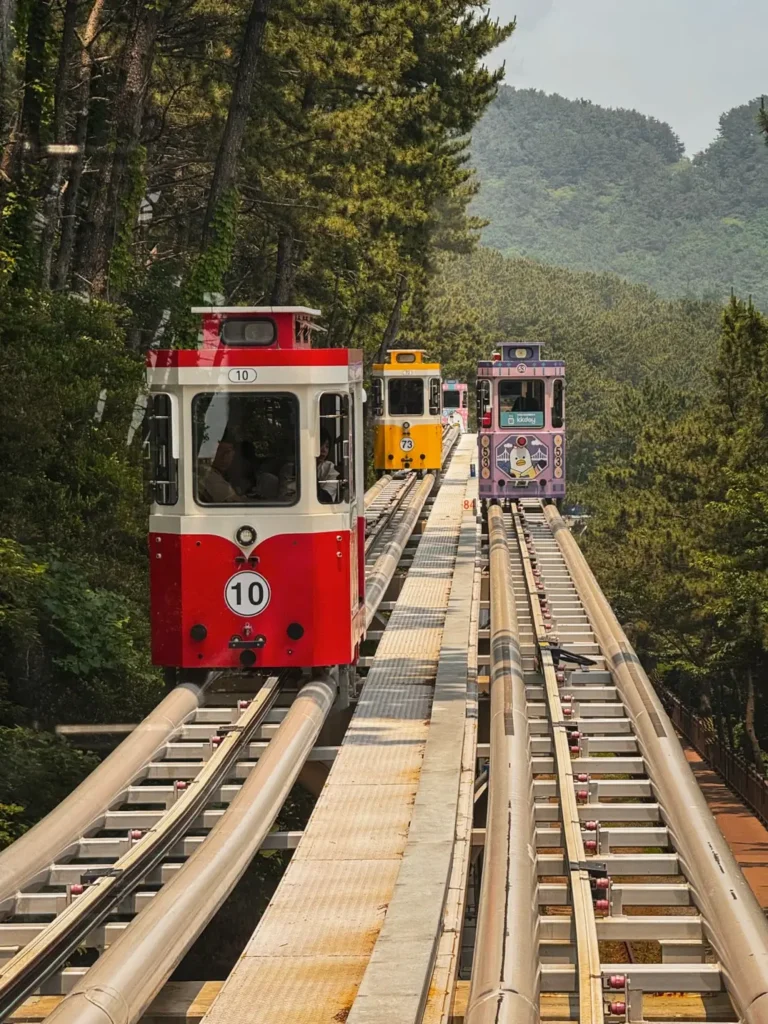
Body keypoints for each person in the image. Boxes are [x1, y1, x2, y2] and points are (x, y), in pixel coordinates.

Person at [317, 430, 341, 503]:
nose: (324, 450)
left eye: (327, 446)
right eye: (320, 445)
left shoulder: (330, 468)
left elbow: (326, 498)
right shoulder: (292, 468)